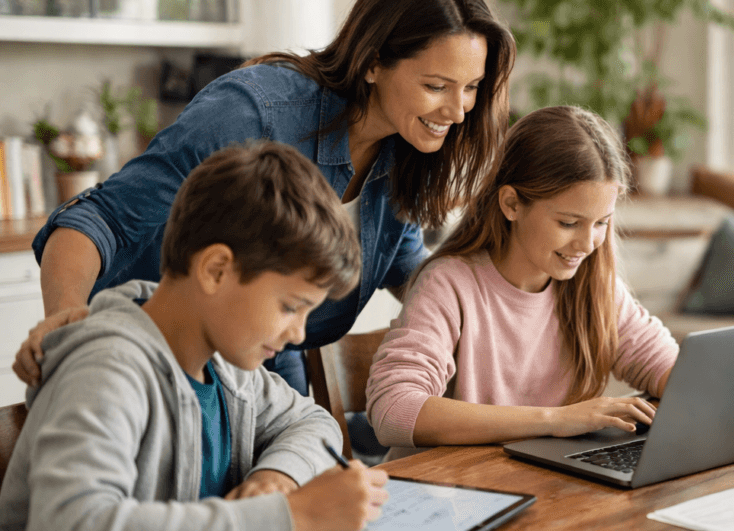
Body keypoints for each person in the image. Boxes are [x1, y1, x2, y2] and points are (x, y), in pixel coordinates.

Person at [13, 0, 515, 395]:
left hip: (263, 372)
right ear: (373, 64)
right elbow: (98, 220)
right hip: (143, 356)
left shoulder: (405, 154)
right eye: (436, 86)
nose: (458, 110)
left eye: (471, 88)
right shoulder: (255, 113)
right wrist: (64, 325)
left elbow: (413, 274)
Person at [0, 142, 389, 531]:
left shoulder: (229, 367)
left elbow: (311, 421)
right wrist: (291, 517)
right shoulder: (108, 370)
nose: (299, 334)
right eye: (289, 306)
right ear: (216, 270)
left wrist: (276, 476)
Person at [365, 105, 678, 456]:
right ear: (512, 203)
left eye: (601, 223)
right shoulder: (450, 284)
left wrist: (697, 384)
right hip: (442, 497)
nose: (588, 243)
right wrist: (555, 420)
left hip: (538, 489)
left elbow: (669, 369)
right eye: (569, 223)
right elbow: (394, 411)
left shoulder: (592, 286)